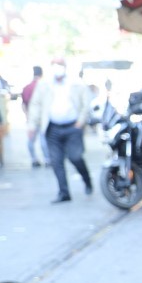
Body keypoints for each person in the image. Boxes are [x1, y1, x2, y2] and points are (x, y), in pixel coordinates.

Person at [27, 58, 94, 202]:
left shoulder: (76, 83)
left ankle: (87, 179)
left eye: (61, 65)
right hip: (53, 128)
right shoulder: (44, 85)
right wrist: (32, 126)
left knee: (75, 157)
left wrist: (80, 122)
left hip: (72, 127)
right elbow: (35, 105)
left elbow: (86, 104)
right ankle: (64, 192)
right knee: (56, 161)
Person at [21, 65, 47, 168]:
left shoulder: (27, 87)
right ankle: (47, 159)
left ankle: (34, 159)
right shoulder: (45, 86)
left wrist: (27, 116)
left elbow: (23, 104)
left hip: (32, 116)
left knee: (31, 139)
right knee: (43, 139)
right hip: (44, 116)